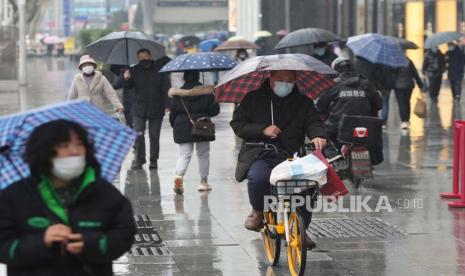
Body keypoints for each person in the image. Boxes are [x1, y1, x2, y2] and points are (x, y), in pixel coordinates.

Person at [0, 119, 135, 276]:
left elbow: (124, 235)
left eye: (79, 144)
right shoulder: (14, 196)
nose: (74, 151)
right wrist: (41, 242)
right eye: (64, 145)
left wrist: (91, 243)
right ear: (43, 151)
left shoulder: (105, 193)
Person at [230, 70, 326, 249]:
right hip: (260, 153)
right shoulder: (253, 99)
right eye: (280, 80)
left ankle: (301, 228)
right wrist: (262, 130)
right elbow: (238, 125)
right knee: (258, 178)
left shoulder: (303, 102)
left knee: (306, 186)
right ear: (271, 78)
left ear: (295, 80)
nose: (285, 84)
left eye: (289, 81)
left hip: (291, 156)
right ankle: (258, 211)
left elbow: (314, 122)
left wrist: (318, 135)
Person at [169, 71, 220, 194]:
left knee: (184, 154)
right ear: (198, 77)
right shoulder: (207, 92)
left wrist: (175, 125)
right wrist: (214, 98)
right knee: (203, 154)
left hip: (182, 126)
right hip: (202, 126)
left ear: (184, 78)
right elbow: (214, 111)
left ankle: (179, 176)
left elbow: (173, 114)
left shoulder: (178, 94)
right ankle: (203, 182)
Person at [124, 49, 171, 170]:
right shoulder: (133, 70)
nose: (143, 59)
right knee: (138, 133)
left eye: (145, 56)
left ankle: (153, 160)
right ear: (137, 58)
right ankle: (140, 159)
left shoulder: (160, 70)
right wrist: (127, 78)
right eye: (140, 57)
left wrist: (168, 104)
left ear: (150, 56)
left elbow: (166, 87)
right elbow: (128, 87)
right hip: (139, 108)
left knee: (154, 135)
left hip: (157, 107)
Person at [317, 57, 382, 142]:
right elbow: (378, 103)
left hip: (337, 127)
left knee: (324, 143)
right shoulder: (366, 83)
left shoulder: (333, 85)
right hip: (365, 126)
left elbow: (321, 105)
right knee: (376, 145)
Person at [354, 56, 396, 128]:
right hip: (379, 85)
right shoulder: (385, 62)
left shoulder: (357, 62)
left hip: (362, 85)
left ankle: (366, 119)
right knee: (384, 103)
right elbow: (379, 75)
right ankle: (383, 123)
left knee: (365, 103)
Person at [394, 55, 424, 129]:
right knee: (407, 102)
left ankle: (404, 121)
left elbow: (392, 75)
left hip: (398, 86)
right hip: (409, 85)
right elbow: (415, 74)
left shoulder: (395, 63)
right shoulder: (409, 62)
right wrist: (420, 84)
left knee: (401, 103)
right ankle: (407, 119)